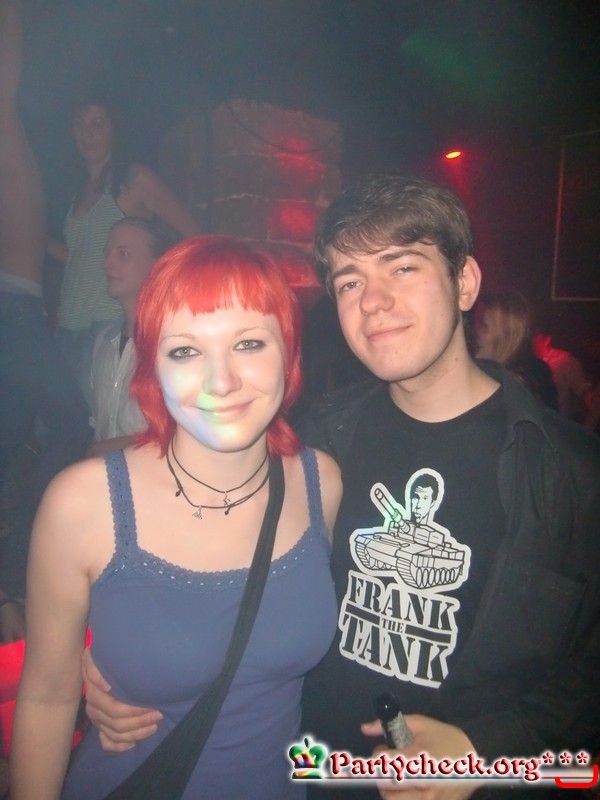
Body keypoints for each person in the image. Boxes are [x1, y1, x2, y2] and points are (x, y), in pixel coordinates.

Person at [84, 176, 600, 800]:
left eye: (402, 267)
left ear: (464, 283)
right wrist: (106, 656)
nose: (373, 301)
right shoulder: (314, 443)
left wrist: (480, 748)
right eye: (350, 281)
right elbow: (189, 535)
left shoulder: (572, 473)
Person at [10, 234, 342, 800]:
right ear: (151, 368)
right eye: (185, 351)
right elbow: (46, 698)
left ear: (288, 353)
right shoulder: (85, 504)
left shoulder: (321, 483)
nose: (221, 381)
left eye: (249, 343)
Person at [0, 0, 91, 641]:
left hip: (16, 313)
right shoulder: (8, 145)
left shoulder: (20, 166)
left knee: (9, 444)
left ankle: (7, 592)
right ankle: (15, 570)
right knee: (71, 424)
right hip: (14, 317)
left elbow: (45, 248)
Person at [50, 95, 198, 399]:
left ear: (114, 129)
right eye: (79, 124)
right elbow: (78, 259)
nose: (87, 133)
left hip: (108, 324)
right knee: (60, 422)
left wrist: (164, 288)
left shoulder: (133, 180)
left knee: (98, 421)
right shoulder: (78, 192)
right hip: (67, 328)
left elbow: (192, 235)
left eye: (97, 123)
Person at [88, 217, 175, 457]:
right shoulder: (104, 342)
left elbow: (194, 434)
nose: (107, 264)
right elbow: (99, 427)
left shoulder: (176, 346)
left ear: (159, 266)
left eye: (123, 253)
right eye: (107, 253)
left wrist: (119, 447)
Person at [473, 290, 558, 409]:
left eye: (484, 325)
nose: (474, 331)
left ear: (508, 333)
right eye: (474, 323)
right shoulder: (482, 373)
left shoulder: (520, 384)